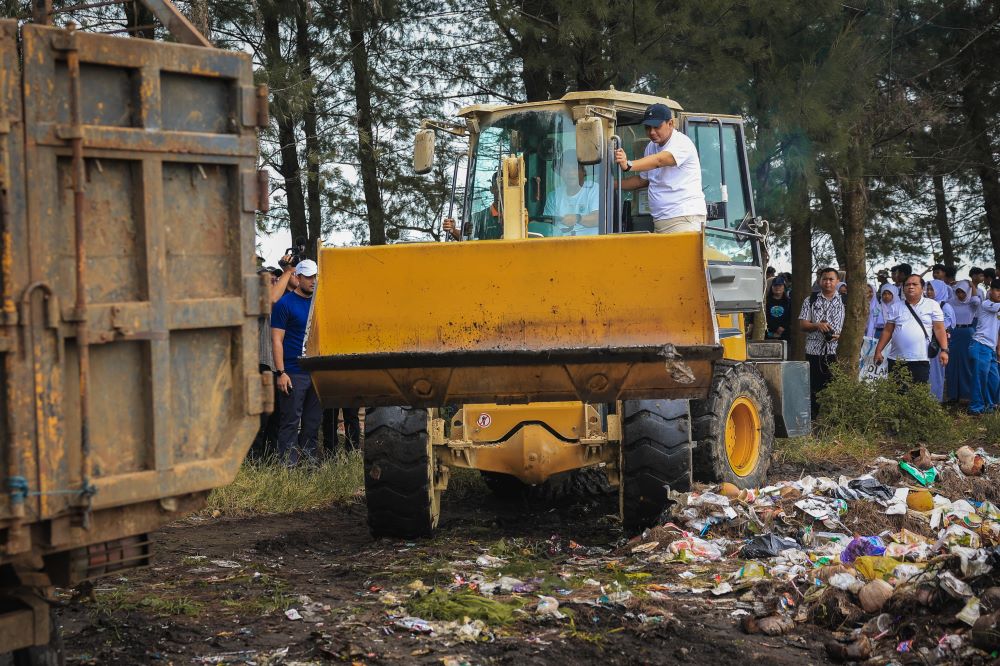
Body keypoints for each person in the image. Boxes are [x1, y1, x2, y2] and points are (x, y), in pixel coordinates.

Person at [613, 103, 706, 234]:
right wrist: (611, 185)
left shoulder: (682, 142)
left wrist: (628, 164)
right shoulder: (651, 147)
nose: (651, 132)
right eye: (648, 127)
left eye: (656, 127)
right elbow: (642, 180)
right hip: (660, 220)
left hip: (683, 219)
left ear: (670, 124)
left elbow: (659, 160)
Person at [271, 259, 322, 464]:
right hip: (293, 371)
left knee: (312, 423)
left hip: (316, 372)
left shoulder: (319, 303)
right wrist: (281, 372)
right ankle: (288, 468)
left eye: (315, 276)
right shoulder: (285, 304)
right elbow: (277, 339)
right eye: (308, 276)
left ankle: (309, 467)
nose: (312, 280)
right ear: (298, 277)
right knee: (290, 422)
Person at [873, 274, 948, 385]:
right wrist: (878, 350)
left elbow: (939, 330)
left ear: (922, 288)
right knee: (896, 394)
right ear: (903, 289)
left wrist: (944, 350)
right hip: (896, 359)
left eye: (914, 284)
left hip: (920, 360)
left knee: (917, 395)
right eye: (907, 285)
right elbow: (888, 331)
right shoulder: (896, 307)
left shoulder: (932, 305)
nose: (911, 287)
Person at [799, 267, 844, 419]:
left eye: (831, 279)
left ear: (837, 281)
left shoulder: (845, 300)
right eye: (825, 279)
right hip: (814, 351)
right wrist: (817, 325)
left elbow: (854, 327)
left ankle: (833, 419)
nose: (828, 282)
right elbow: (803, 325)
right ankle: (813, 419)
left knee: (835, 386)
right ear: (819, 281)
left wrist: (841, 336)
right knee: (813, 387)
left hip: (836, 351)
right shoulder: (810, 300)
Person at [544, 149, 600, 236]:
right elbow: (547, 224)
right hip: (559, 245)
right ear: (561, 172)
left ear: (584, 171)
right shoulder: (553, 196)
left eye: (575, 168)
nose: (570, 173)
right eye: (566, 169)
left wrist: (578, 218)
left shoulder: (593, 189)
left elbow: (598, 218)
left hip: (589, 245)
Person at [967, 279, 1000, 414]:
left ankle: (990, 406)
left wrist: (998, 348)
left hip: (990, 349)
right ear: (990, 290)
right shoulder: (986, 304)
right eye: (997, 290)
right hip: (980, 345)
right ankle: (976, 408)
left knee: (995, 379)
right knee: (979, 379)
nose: (998, 293)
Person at [444, 172, 502, 241]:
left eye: (506, 188)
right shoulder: (479, 218)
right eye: (499, 187)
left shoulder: (517, 217)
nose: (502, 191)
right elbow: (465, 237)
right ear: (492, 189)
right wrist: (453, 229)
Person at [946, 280, 978, 402]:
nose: (960, 295)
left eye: (963, 292)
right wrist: (952, 285)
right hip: (953, 332)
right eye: (958, 292)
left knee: (966, 363)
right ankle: (953, 395)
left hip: (967, 333)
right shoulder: (951, 303)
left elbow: (976, 300)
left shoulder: (972, 303)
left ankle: (966, 395)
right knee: (952, 363)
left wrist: (972, 285)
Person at [926, 280, 956, 402]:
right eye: (927, 289)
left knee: (936, 371)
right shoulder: (925, 304)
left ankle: (935, 400)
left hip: (937, 342)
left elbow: (949, 323)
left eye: (932, 289)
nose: (928, 292)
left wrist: (934, 326)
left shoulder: (945, 306)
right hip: (925, 341)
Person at [765, 276, 792, 341]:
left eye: (780, 285)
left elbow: (791, 317)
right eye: (775, 285)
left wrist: (783, 327)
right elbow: (765, 317)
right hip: (769, 335)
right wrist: (776, 328)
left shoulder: (789, 302)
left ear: (784, 287)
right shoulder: (766, 301)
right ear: (772, 287)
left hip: (785, 335)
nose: (777, 287)